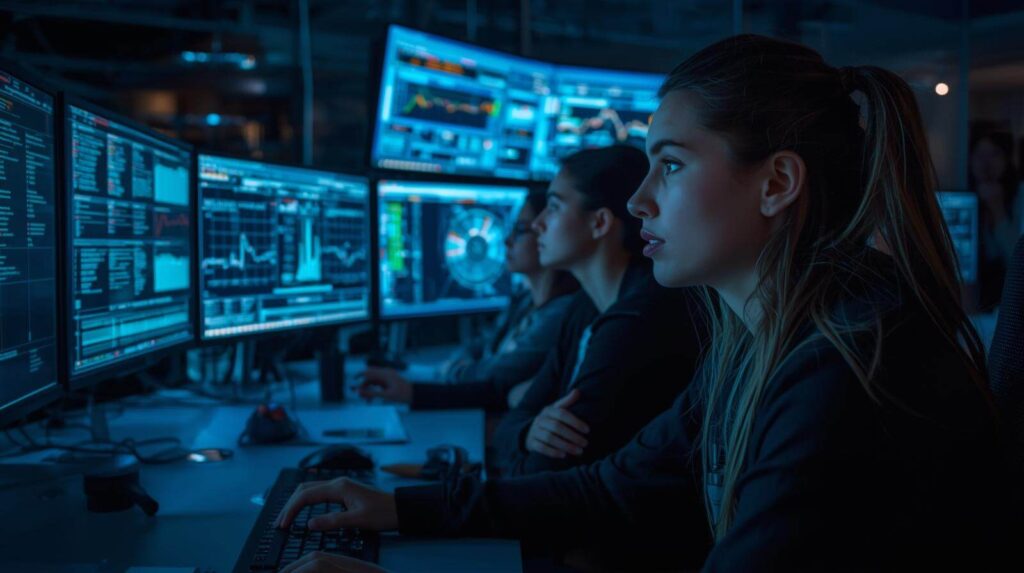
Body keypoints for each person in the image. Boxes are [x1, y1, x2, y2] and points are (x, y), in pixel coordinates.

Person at [274, 34, 1020, 572]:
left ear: (777, 183)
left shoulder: (847, 374)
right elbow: (612, 487)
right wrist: (400, 511)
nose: (638, 201)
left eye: (669, 164)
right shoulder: (762, 337)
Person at [356, 189, 579, 411]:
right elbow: (478, 346)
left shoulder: (560, 314)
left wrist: (440, 378)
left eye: (521, 230)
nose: (507, 240)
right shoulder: (524, 301)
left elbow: (494, 380)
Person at [970, 130, 1024, 310]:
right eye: (980, 154)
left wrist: (998, 210)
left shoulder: (1020, 195)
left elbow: (1017, 260)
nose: (987, 163)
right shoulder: (963, 195)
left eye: (994, 154)